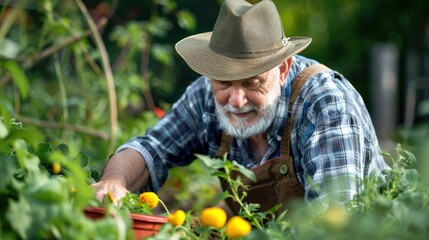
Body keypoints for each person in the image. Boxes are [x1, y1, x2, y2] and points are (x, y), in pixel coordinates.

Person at [92, 0, 389, 213]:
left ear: (283, 69)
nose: (236, 101)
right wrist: (113, 182)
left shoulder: (325, 104)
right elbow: (151, 147)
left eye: (252, 83)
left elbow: (336, 221)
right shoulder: (206, 95)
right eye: (223, 83)